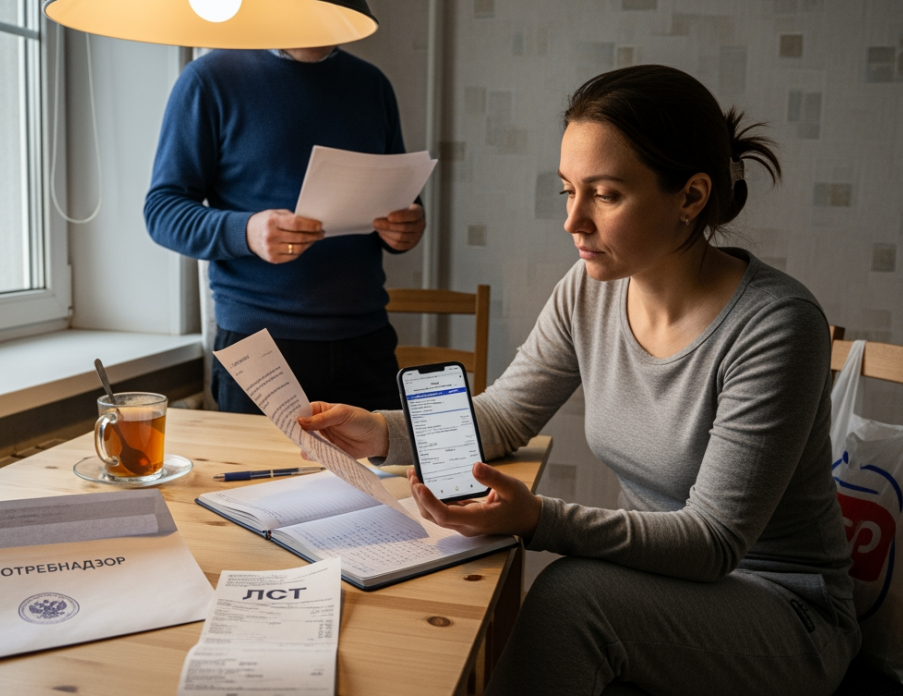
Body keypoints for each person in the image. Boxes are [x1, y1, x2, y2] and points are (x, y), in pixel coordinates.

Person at [298, 65, 860, 696]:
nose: (574, 222)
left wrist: (538, 519)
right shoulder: (590, 291)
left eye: (606, 195)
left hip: (782, 612)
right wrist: (378, 432)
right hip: (662, 584)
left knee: (572, 597)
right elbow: (507, 415)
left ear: (691, 197)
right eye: (568, 190)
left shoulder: (777, 326)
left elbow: (713, 540)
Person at [144, 41, 424, 414]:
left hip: (366, 341)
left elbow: (400, 197)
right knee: (260, 475)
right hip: (259, 346)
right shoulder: (208, 79)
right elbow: (162, 211)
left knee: (384, 474)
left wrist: (407, 227)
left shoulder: (372, 85)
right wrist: (246, 232)